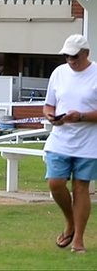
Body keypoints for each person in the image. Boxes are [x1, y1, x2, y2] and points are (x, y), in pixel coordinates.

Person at [43, 34, 97, 254]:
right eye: (66, 56)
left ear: (86, 53)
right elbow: (48, 105)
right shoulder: (58, 73)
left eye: (74, 56)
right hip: (60, 138)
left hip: (89, 141)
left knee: (80, 187)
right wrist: (50, 116)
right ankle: (70, 223)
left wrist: (81, 117)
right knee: (55, 184)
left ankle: (79, 240)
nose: (70, 60)